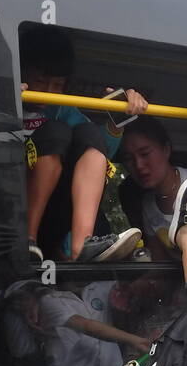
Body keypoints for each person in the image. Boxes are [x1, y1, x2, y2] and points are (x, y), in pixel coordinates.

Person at [18, 24, 147, 263]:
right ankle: (25, 239)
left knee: (85, 131)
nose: (47, 92)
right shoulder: (1, 100)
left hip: (53, 219)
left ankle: (82, 244)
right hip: (12, 210)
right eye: (39, 81)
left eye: (57, 85)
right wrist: (3, 95)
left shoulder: (61, 110)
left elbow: (98, 148)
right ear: (21, 72)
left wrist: (119, 117)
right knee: (55, 132)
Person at [116, 116, 187, 261]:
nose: (138, 165)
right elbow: (160, 266)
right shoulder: (148, 205)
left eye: (145, 154)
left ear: (166, 150)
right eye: (128, 159)